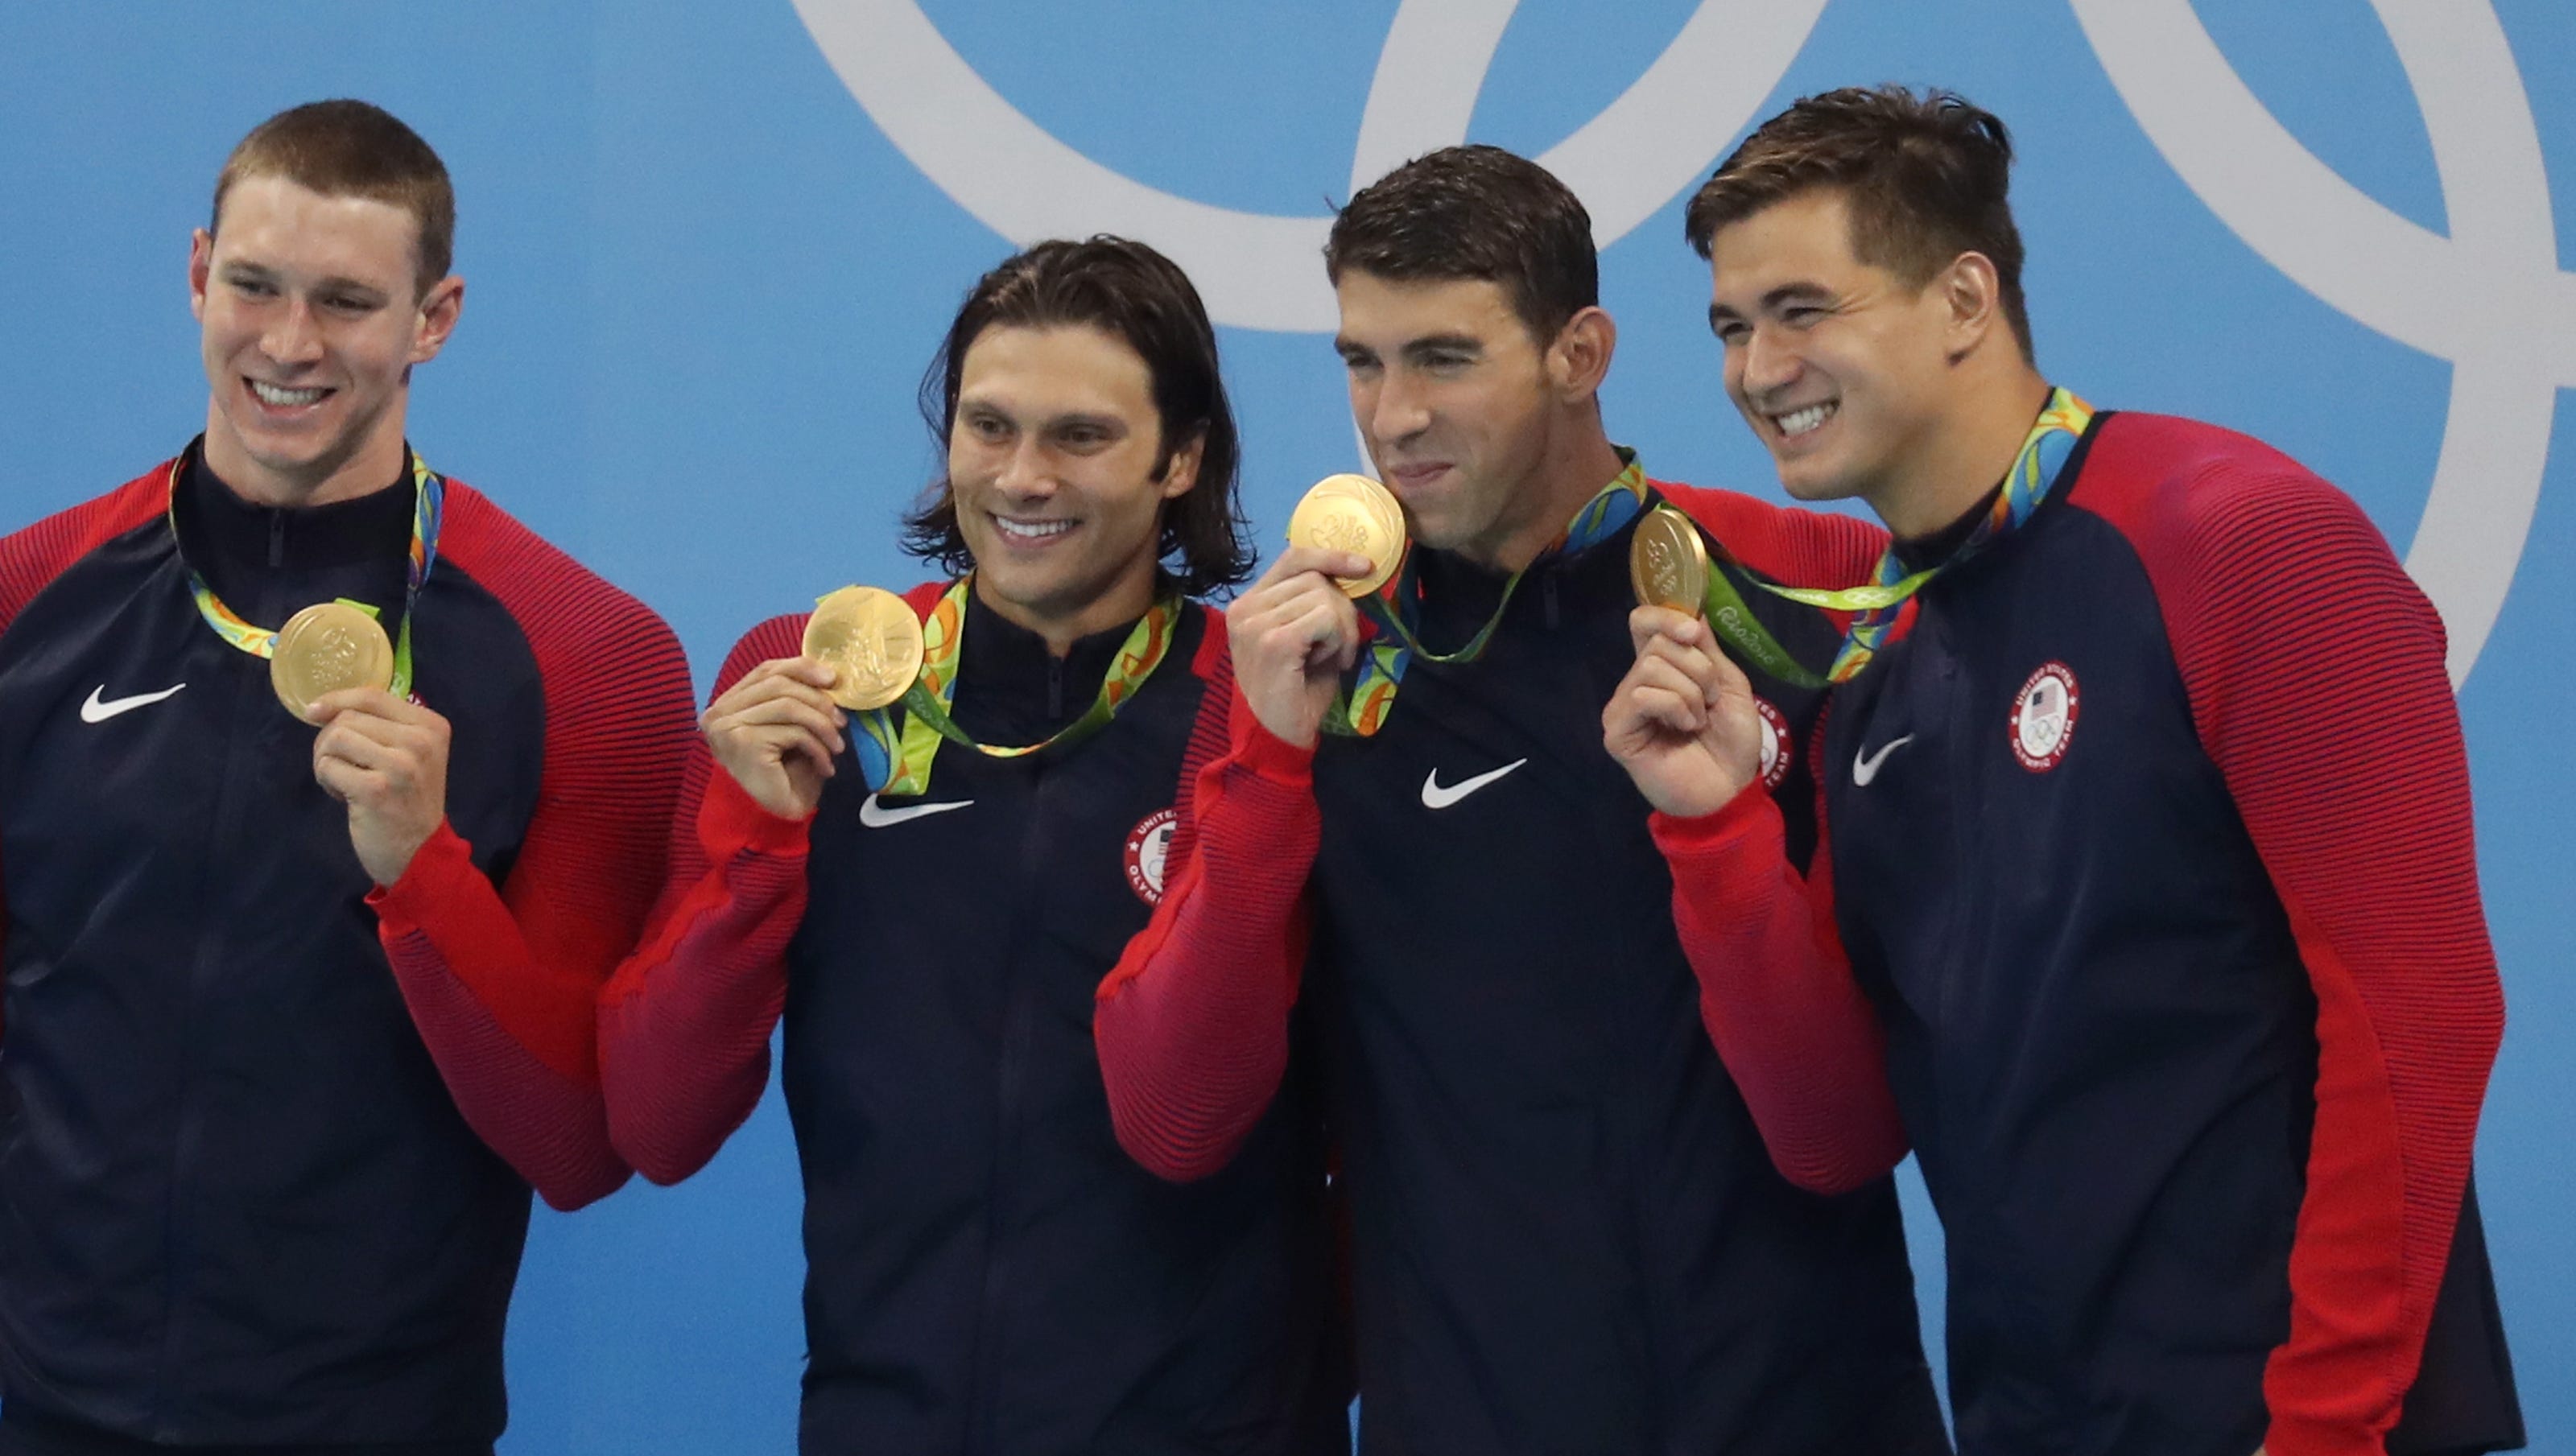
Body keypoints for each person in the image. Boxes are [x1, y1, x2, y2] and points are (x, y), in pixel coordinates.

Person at [1605, 85, 2523, 1456]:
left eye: (1803, 309)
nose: (1754, 368)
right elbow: (1838, 1134)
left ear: (1966, 297)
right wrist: (1718, 826)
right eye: (1732, 326)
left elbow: (2422, 1021)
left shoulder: (2241, 540)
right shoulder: (1874, 665)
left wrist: (2323, 1432)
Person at [1093, 146, 1947, 1454]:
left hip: (1816, 1411)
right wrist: (1266, 766)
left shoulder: (1803, 578)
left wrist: (1718, 831)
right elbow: (1171, 1119)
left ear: (1579, 351)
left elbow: (1845, 1129)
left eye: (1443, 357)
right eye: (1360, 362)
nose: (1392, 419)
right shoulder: (1300, 667)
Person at [0, 100, 696, 1454]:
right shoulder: (27, 601)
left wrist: (425, 872)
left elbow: (576, 1142)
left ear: (434, 317)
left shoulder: (589, 657)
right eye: (254, 285)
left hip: (380, 1421)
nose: (289, 343)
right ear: (199, 271)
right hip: (46, 1406)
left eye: (347, 301)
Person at [597, 237, 1345, 1455]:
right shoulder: (812, 689)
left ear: (1183, 457)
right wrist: (754, 846)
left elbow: (1219, 1114)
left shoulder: (1264, 703)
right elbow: (654, 1122)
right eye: (987, 426)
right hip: (881, 1420)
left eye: (1081, 436)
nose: (1022, 477)